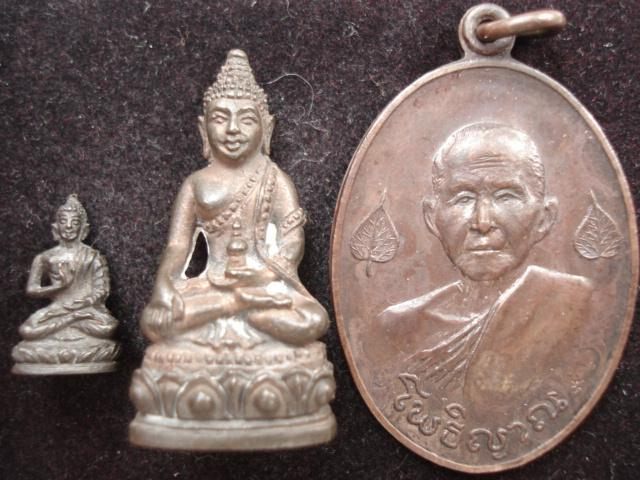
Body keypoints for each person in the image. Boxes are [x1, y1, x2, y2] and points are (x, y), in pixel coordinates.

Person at [379, 123, 593, 412]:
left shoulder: (573, 304)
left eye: (506, 196)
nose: (482, 222)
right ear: (432, 218)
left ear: (544, 218)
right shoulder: (402, 324)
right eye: (463, 198)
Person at [140, 49, 329, 349]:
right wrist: (164, 284)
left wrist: (263, 275)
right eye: (220, 118)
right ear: (203, 129)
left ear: (266, 128)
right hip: (210, 287)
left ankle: (235, 309)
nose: (232, 130)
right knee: (155, 321)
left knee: (313, 320)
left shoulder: (276, 180)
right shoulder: (195, 184)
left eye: (246, 119)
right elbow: (177, 246)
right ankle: (233, 306)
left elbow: (292, 243)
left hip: (263, 286)